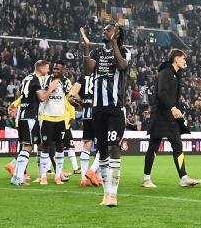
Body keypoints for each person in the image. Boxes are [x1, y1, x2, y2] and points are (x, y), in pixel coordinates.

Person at [83, 23, 131, 207]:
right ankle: (106, 193)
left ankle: (114, 194)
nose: (104, 31)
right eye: (103, 29)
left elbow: (122, 65)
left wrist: (115, 45)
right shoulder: (97, 52)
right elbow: (88, 70)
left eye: (108, 29)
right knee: (102, 150)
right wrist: (86, 47)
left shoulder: (125, 51)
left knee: (114, 148)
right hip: (98, 109)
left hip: (115, 109)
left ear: (117, 34)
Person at [143, 49, 201, 188]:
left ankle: (184, 177)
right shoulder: (165, 72)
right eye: (183, 58)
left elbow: (172, 97)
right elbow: (161, 93)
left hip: (170, 116)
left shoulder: (176, 75)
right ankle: (146, 179)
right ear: (176, 59)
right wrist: (173, 108)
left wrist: (178, 108)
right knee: (154, 146)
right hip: (160, 115)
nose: (185, 61)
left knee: (177, 144)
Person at [9, 60, 53, 186]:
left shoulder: (26, 78)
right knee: (27, 147)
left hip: (22, 115)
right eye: (47, 68)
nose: (48, 71)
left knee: (28, 146)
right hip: (30, 116)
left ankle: (16, 177)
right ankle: (18, 178)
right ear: (41, 68)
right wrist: (50, 89)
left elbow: (20, 94)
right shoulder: (36, 80)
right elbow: (42, 97)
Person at [38, 63, 76, 185]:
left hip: (61, 120)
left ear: (63, 70)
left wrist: (74, 108)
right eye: (54, 68)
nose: (55, 70)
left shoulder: (66, 82)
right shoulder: (46, 80)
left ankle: (57, 176)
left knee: (60, 147)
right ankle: (43, 176)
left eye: (58, 69)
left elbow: (71, 97)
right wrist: (50, 89)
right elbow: (41, 97)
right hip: (47, 118)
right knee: (45, 146)